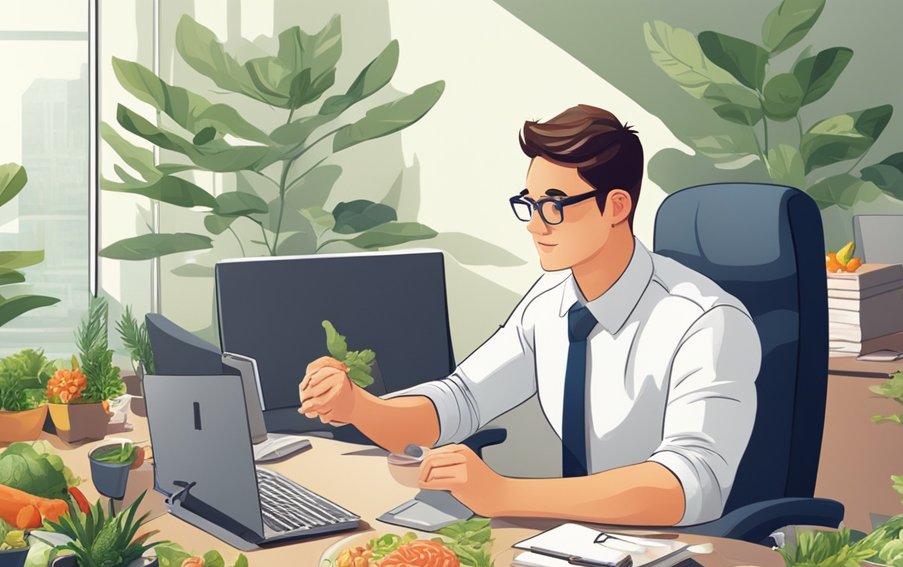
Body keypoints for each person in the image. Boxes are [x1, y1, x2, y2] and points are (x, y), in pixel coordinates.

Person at [297, 104, 759, 526]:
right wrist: (358, 406)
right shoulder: (552, 300)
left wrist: (503, 494)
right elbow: (457, 402)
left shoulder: (706, 321)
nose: (535, 225)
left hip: (680, 553)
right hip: (576, 543)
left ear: (616, 206)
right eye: (530, 204)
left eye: (555, 206)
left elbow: (691, 486)